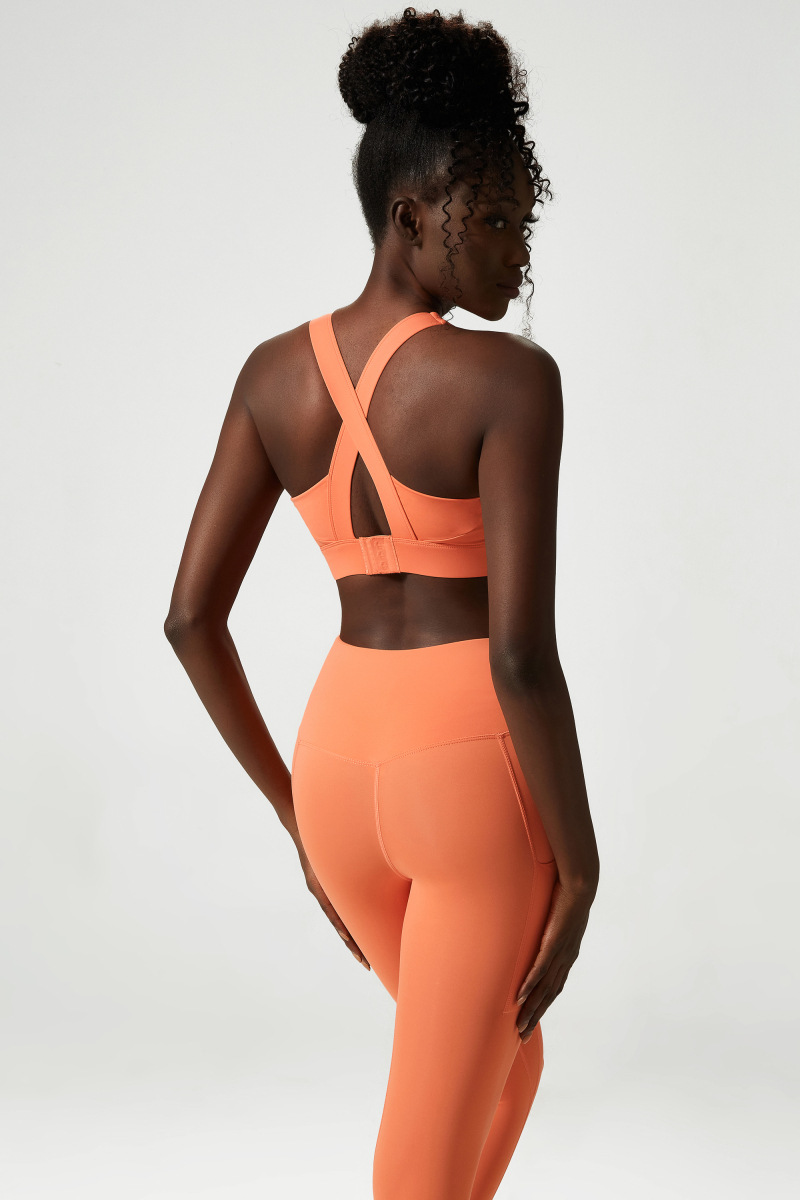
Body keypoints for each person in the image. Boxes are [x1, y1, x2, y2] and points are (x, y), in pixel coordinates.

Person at [164, 8, 599, 1199]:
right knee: (424, 1155)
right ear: (409, 219)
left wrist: (295, 816)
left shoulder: (271, 375)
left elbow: (190, 619)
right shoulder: (509, 382)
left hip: (335, 768)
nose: (517, 253)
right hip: (467, 780)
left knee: (505, 1063)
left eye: (524, 221)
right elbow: (518, 656)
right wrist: (578, 864)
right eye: (491, 220)